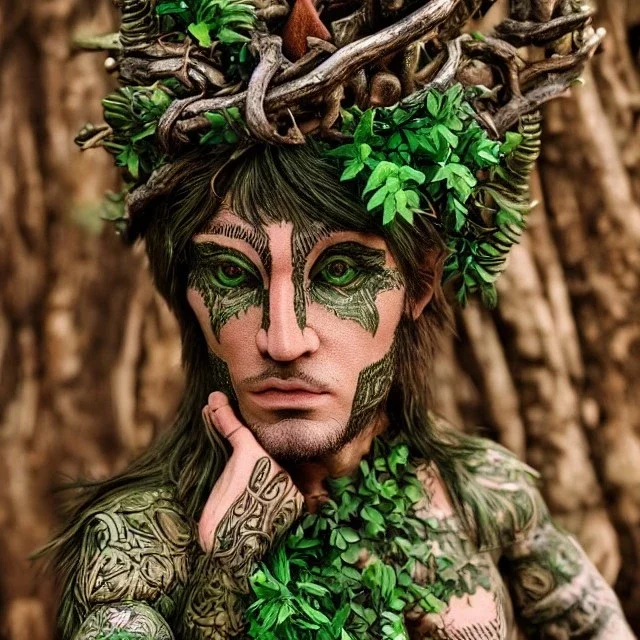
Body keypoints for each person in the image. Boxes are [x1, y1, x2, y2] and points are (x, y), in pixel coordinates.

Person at [38, 0, 636, 638]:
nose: (284, 339)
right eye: (234, 275)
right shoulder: (137, 545)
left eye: (341, 273)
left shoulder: (484, 496)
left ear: (421, 282)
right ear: (186, 291)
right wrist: (227, 573)